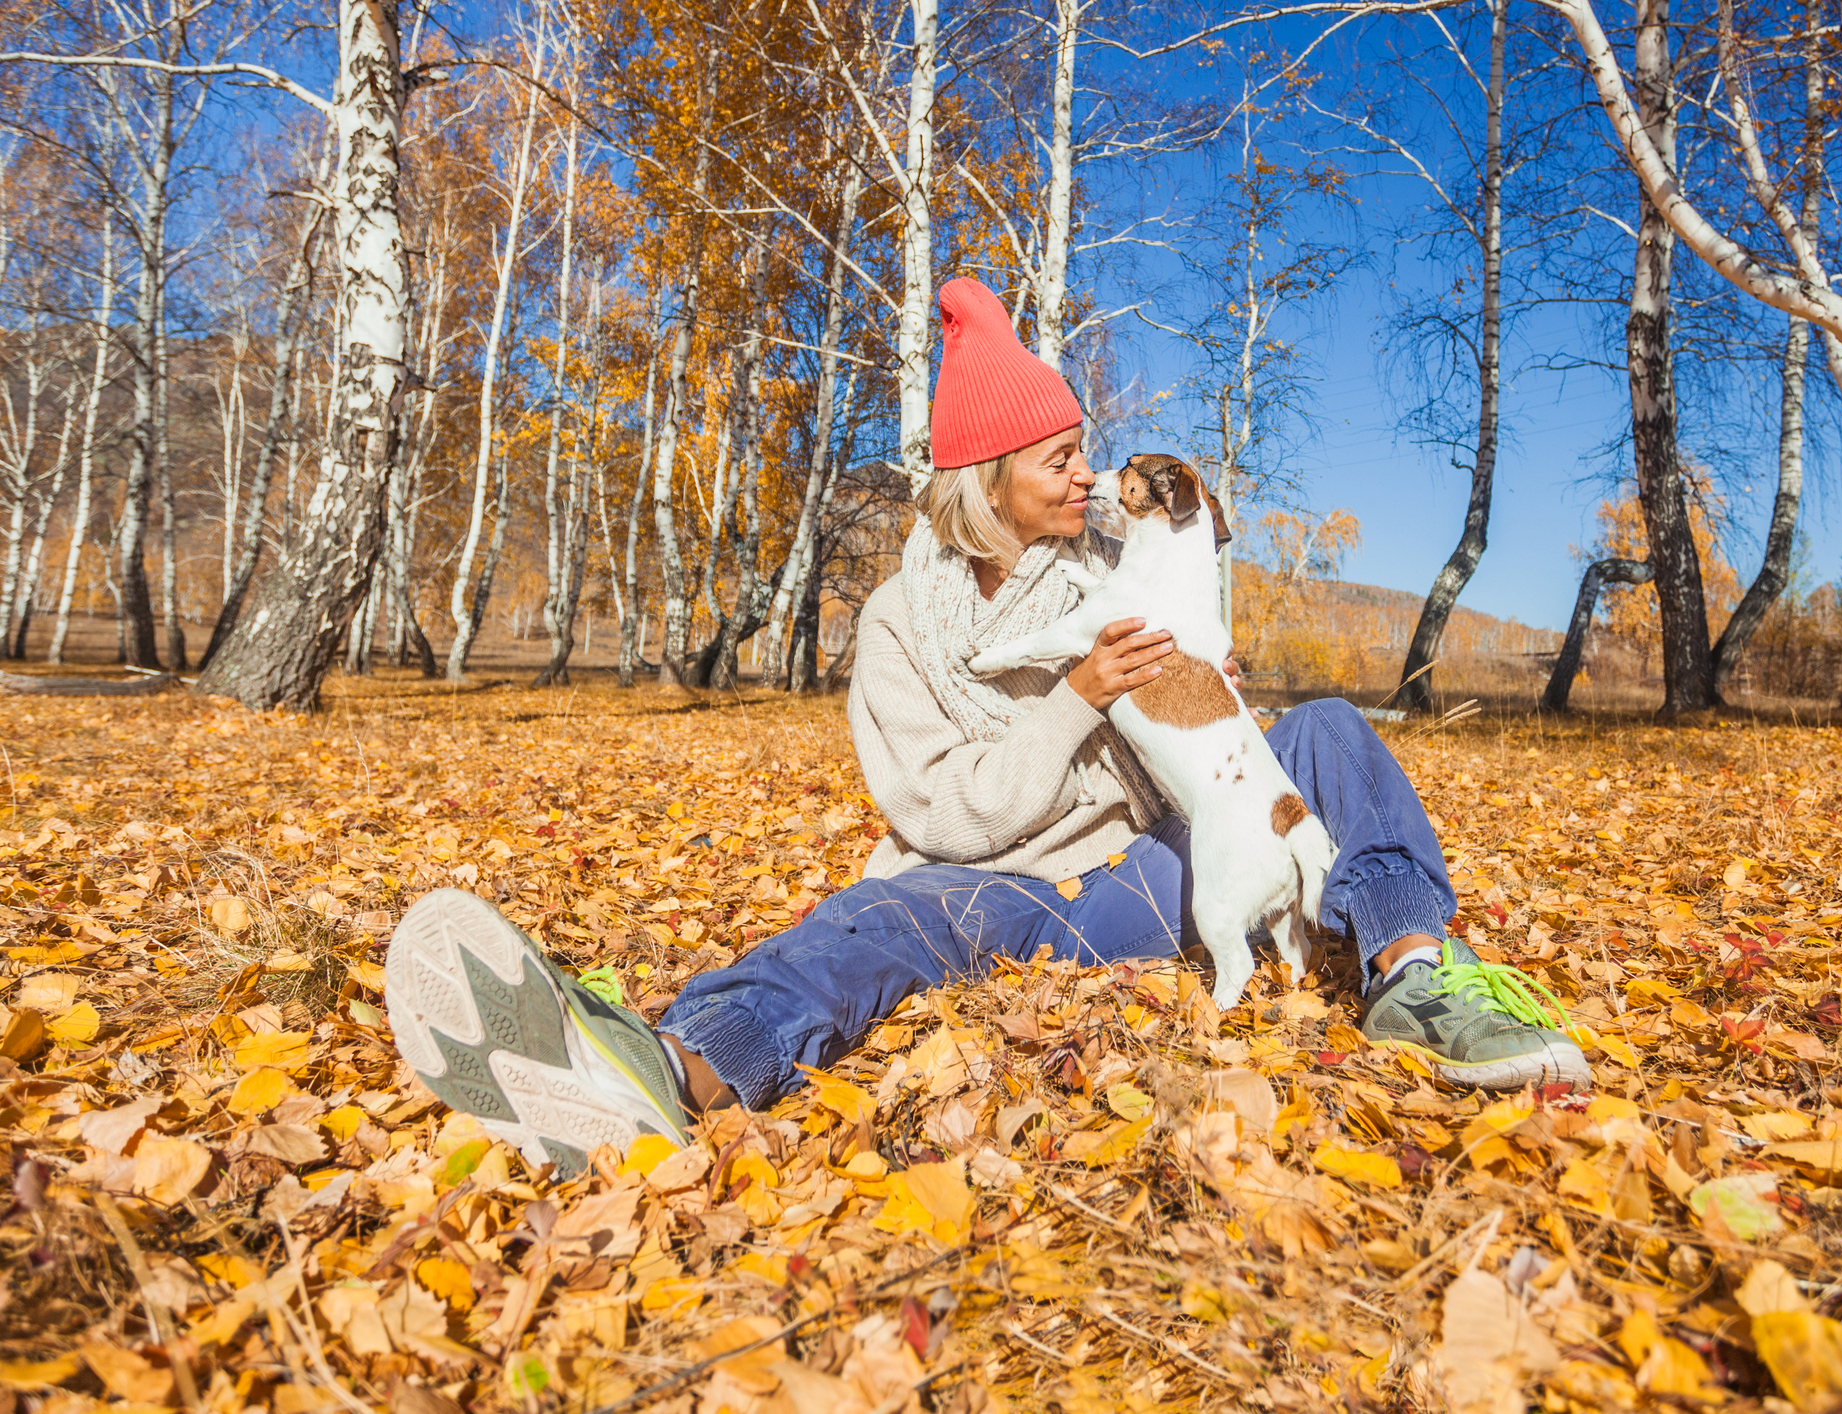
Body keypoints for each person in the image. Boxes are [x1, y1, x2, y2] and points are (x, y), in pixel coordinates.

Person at [382, 278, 1589, 1177]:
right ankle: (666, 1067)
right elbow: (941, 813)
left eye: (1080, 456)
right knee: (871, 915)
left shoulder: (1113, 573)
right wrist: (1081, 697)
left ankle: (1415, 974)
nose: (1083, 478)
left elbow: (1215, 736)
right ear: (988, 481)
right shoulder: (902, 623)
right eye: (1059, 459)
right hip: (1003, 888)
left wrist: (1205, 681)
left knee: (1324, 729)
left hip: (1160, 870)